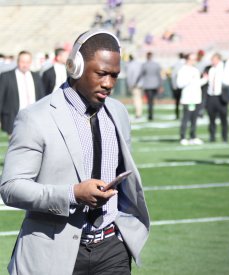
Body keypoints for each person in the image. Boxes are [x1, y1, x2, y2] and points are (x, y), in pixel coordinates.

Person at [0, 29, 150, 274]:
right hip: (55, 252)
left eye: (114, 76)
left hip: (112, 248)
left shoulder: (119, 112)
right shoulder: (35, 117)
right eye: (101, 74)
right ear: (75, 68)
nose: (109, 84)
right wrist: (72, 194)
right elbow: (11, 188)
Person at [0, 50, 45, 135]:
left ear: (31, 62)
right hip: (13, 120)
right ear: (17, 62)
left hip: (33, 120)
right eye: (22, 62)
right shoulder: (6, 76)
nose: (25, 65)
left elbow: (41, 98)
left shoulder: (36, 76)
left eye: (27, 62)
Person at [177, 52, 206, 145]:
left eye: (195, 59)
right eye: (192, 59)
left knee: (194, 119)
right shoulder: (183, 70)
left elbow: (197, 83)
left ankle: (193, 136)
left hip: (196, 97)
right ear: (188, 59)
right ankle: (183, 137)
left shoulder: (195, 70)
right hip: (187, 98)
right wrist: (189, 79)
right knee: (186, 118)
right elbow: (179, 84)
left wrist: (205, 79)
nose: (194, 61)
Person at [205, 53, 228, 143]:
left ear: (218, 59)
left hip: (221, 97)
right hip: (211, 96)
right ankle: (212, 136)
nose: (212, 61)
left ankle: (224, 137)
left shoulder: (225, 68)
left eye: (214, 59)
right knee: (211, 118)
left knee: (223, 119)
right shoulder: (209, 69)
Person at [139, 51, 163, 121]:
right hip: (155, 84)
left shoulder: (144, 64)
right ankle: (151, 114)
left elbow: (141, 74)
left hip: (147, 85)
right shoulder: (156, 64)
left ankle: (150, 114)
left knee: (149, 101)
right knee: (151, 100)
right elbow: (159, 75)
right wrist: (160, 84)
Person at [125, 54, 144, 120]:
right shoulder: (138, 64)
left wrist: (132, 84)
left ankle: (138, 114)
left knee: (137, 99)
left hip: (135, 85)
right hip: (139, 84)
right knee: (137, 99)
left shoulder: (131, 65)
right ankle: (138, 113)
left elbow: (133, 75)